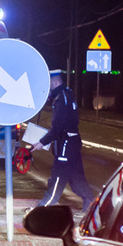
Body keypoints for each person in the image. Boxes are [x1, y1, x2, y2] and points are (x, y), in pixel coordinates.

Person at [31, 70, 95, 212]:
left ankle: (44, 207)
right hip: (72, 143)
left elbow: (58, 127)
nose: (48, 89)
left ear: (55, 82)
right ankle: (91, 203)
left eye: (49, 85)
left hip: (66, 144)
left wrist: (42, 142)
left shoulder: (61, 99)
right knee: (76, 177)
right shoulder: (68, 94)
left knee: (58, 176)